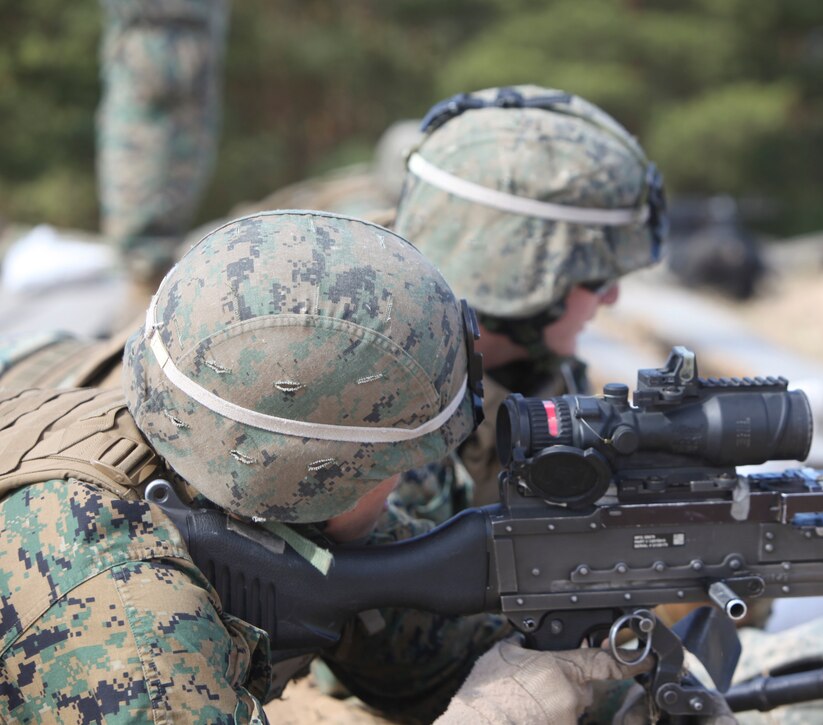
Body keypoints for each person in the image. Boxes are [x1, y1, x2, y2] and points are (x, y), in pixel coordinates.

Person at [1, 210, 635, 722]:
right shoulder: (124, 623)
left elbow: (429, 652)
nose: (404, 484)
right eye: (397, 462)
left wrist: (620, 689)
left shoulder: (223, 476)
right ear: (318, 475)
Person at [393, 84, 668, 511]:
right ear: (517, 274)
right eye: (596, 279)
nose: (611, 297)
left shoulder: (542, 378)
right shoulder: (376, 416)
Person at [97, 0, 229, 301]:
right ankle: (145, 291)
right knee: (146, 253)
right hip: (158, 37)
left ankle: (149, 281)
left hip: (189, 34)